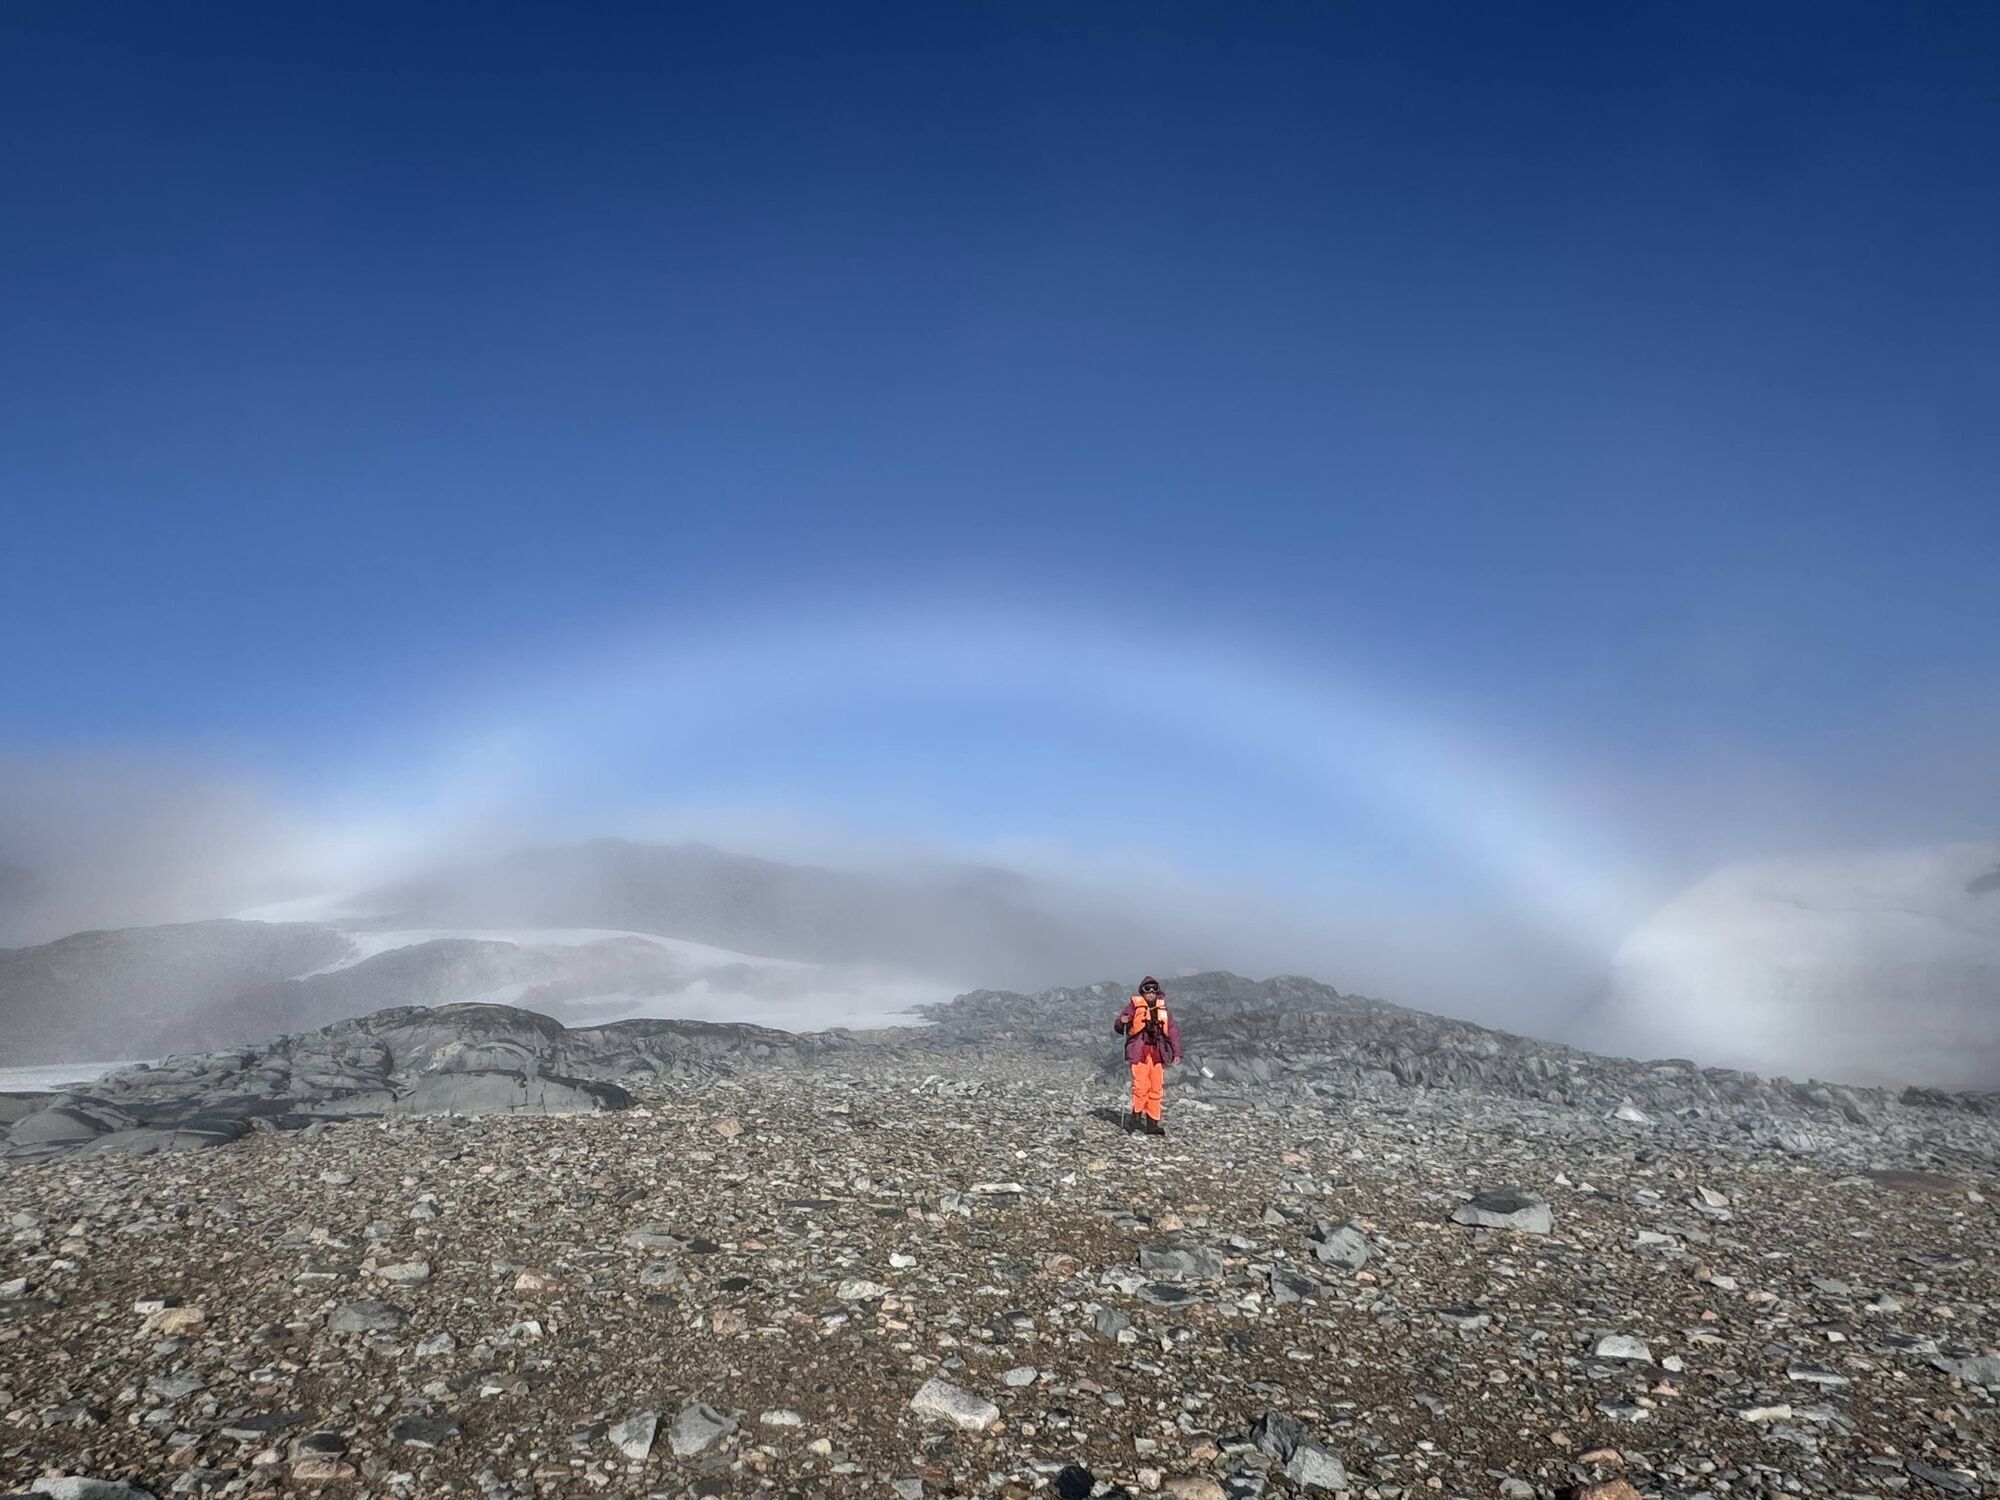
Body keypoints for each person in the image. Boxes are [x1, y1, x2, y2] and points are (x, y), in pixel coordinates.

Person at [1113, 976, 1182, 1136]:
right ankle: (1135, 1119)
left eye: (1153, 989)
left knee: (1156, 1088)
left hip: (1158, 1054)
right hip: (1139, 1053)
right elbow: (1119, 1026)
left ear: (1158, 991)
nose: (1150, 993)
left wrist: (1177, 1052)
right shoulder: (1133, 1007)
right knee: (1140, 1086)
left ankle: (1152, 1123)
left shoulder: (1164, 1011)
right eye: (1147, 989)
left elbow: (1172, 1032)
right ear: (1142, 991)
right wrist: (1122, 1022)